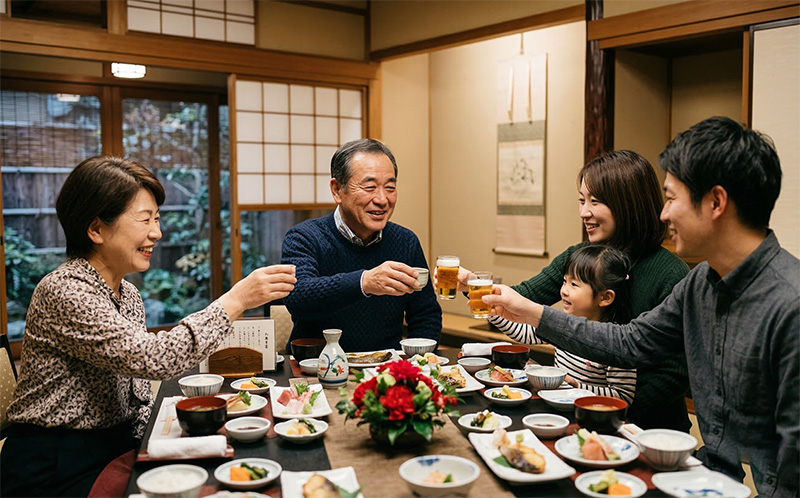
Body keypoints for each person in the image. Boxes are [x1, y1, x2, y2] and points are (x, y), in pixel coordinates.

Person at [484, 116, 799, 496]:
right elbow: (629, 342)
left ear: (715, 202)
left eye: (672, 198)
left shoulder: (789, 303)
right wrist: (534, 313)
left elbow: (792, 462)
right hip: (706, 476)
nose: (664, 214)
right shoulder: (701, 282)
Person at [0, 156, 297, 497]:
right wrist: (236, 300)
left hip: (112, 446)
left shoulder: (127, 293)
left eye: (157, 218)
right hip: (54, 466)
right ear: (96, 229)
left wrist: (170, 440)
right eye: (145, 219)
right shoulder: (64, 290)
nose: (157, 232)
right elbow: (154, 359)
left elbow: (138, 394)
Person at [451, 150, 692, 431]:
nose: (583, 212)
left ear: (628, 204)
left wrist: (608, 414)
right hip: (578, 416)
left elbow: (674, 374)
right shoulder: (581, 257)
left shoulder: (670, 273)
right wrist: (473, 286)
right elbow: (522, 300)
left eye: (595, 202)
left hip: (648, 428)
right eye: (581, 200)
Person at [281, 139, 441, 352]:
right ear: (337, 190)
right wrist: (364, 282)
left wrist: (418, 361)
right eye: (370, 187)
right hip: (319, 365)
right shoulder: (304, 237)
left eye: (390, 188)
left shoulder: (406, 241)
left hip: (386, 366)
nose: (382, 199)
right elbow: (298, 298)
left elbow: (426, 314)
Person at [533, 244, 638, 402]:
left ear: (605, 297)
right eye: (564, 281)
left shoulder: (615, 343)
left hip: (588, 413)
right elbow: (526, 333)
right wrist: (496, 310)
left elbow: (624, 396)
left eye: (574, 284)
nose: (564, 290)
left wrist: (578, 387)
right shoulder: (563, 324)